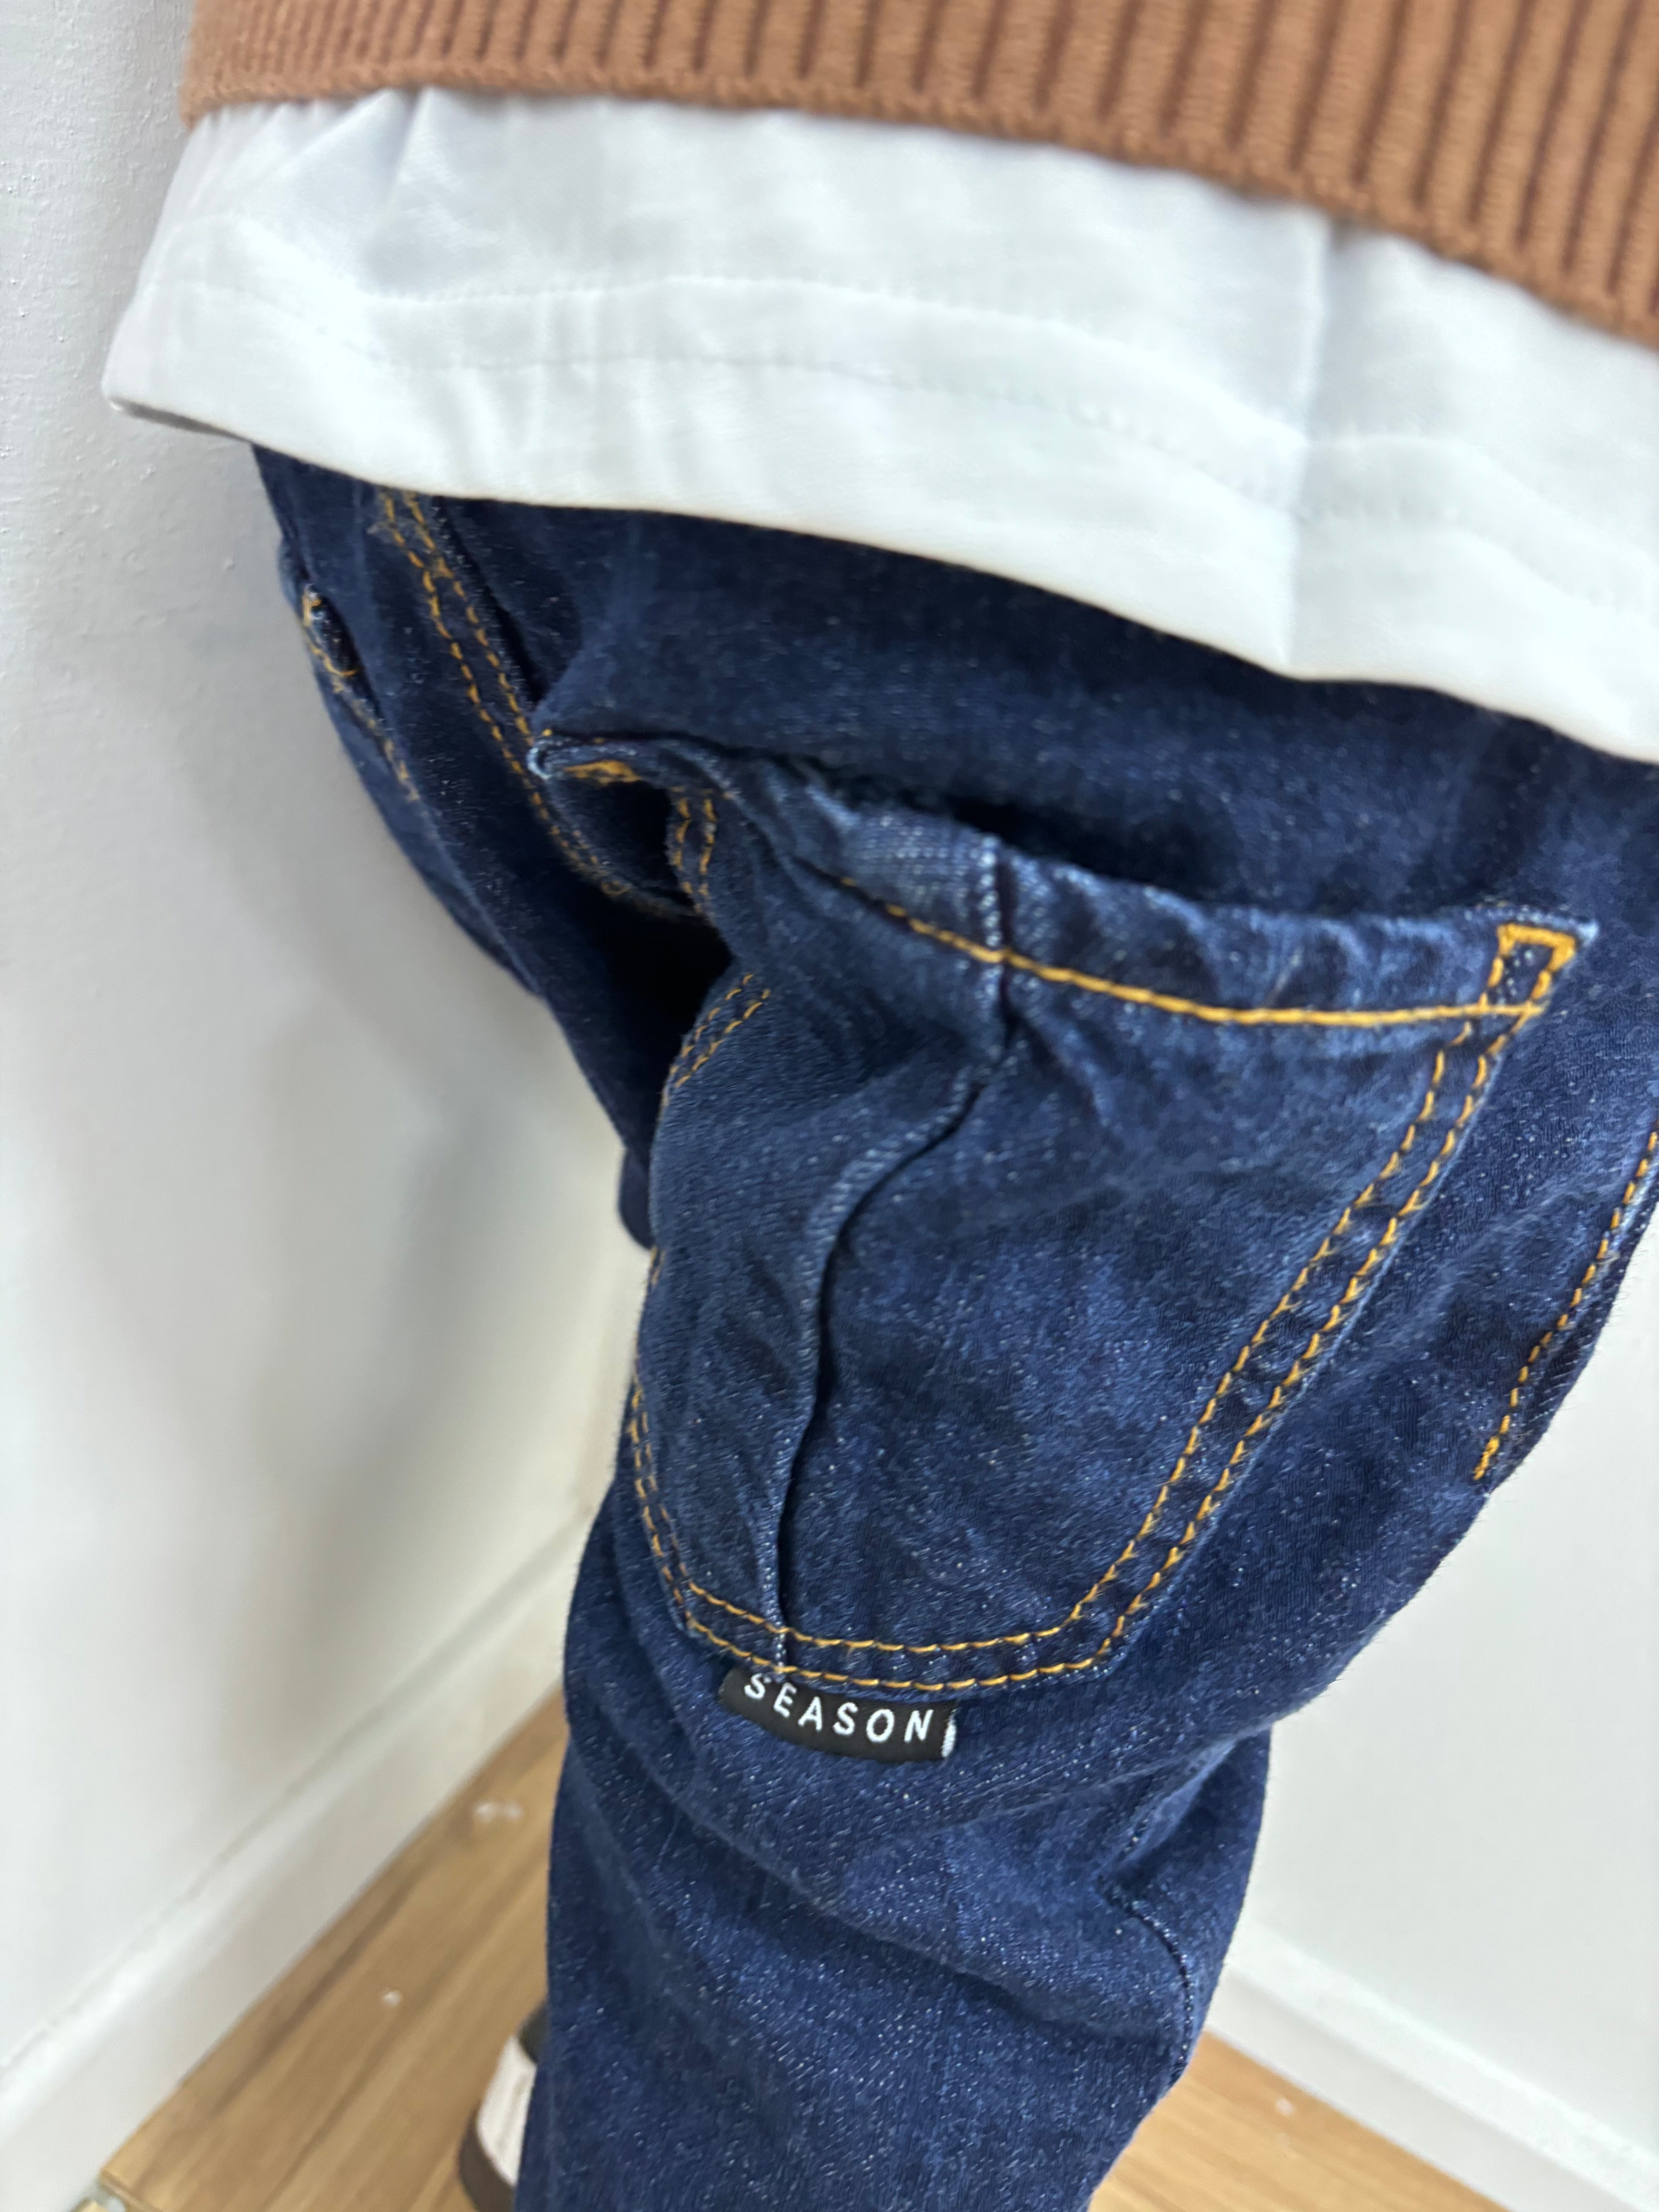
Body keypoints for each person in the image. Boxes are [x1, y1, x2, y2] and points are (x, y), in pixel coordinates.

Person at [106, 7, 1659, 2208]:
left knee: (797, 1444)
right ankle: (729, 2076)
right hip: (1326, 423)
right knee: (888, 1831)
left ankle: (688, 2045)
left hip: (426, 246)